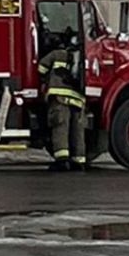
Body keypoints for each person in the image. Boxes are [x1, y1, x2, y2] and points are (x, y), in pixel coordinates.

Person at [38, 34, 87, 171]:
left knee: (60, 127)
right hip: (78, 100)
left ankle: (62, 160)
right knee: (78, 130)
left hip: (60, 98)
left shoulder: (57, 54)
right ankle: (79, 161)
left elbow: (41, 68)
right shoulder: (83, 59)